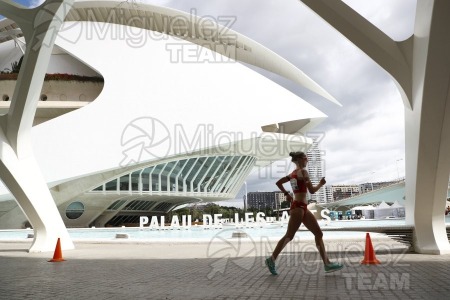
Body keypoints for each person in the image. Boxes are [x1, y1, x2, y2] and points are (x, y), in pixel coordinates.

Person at [265, 151, 343, 275]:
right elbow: (312, 191)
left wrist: (287, 194)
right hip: (298, 208)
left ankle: (327, 264)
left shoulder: (292, 174)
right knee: (289, 236)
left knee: (318, 233)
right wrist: (321, 184)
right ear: (300, 159)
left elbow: (278, 183)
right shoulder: (303, 172)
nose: (307, 161)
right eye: (306, 159)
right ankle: (271, 260)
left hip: (302, 207)